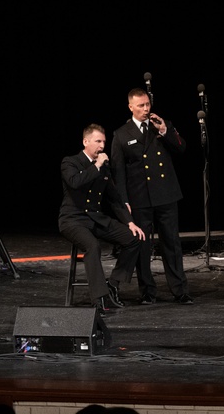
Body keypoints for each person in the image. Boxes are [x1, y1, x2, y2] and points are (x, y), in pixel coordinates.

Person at [110, 87, 193, 305]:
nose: (146, 109)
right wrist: (124, 200)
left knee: (172, 244)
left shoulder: (160, 125)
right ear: (131, 107)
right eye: (141, 105)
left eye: (148, 104)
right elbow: (118, 173)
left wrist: (165, 130)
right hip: (140, 198)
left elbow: (182, 148)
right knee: (143, 247)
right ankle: (147, 291)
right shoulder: (121, 134)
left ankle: (180, 290)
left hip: (166, 194)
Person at [59, 124, 146, 314]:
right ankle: (99, 299)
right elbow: (75, 183)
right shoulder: (70, 162)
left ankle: (113, 284)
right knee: (92, 246)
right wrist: (96, 166)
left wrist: (130, 222)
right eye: (98, 141)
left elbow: (114, 199)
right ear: (86, 142)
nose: (102, 145)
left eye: (104, 142)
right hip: (72, 220)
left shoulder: (104, 167)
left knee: (133, 238)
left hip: (95, 218)